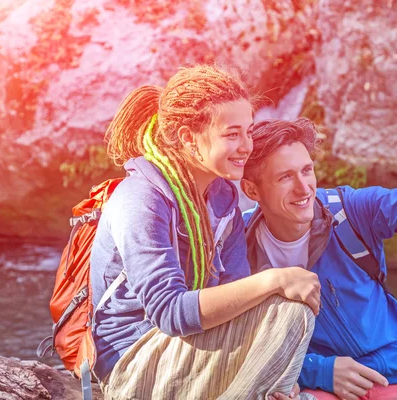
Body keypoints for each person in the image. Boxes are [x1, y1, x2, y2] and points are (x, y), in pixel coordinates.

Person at [90, 66, 321, 400]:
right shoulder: (140, 200)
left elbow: (236, 292)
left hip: (187, 345)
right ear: (187, 137)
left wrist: (276, 366)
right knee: (287, 305)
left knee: (279, 305)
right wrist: (275, 279)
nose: (247, 146)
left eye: (249, 132)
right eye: (232, 134)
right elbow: (169, 313)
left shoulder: (223, 197)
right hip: (130, 361)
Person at [241, 118, 397, 400]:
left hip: (390, 377)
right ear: (252, 190)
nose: (304, 189)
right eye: (285, 177)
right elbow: (238, 344)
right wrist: (319, 371)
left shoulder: (349, 211)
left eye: (306, 171)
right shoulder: (236, 246)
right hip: (318, 386)